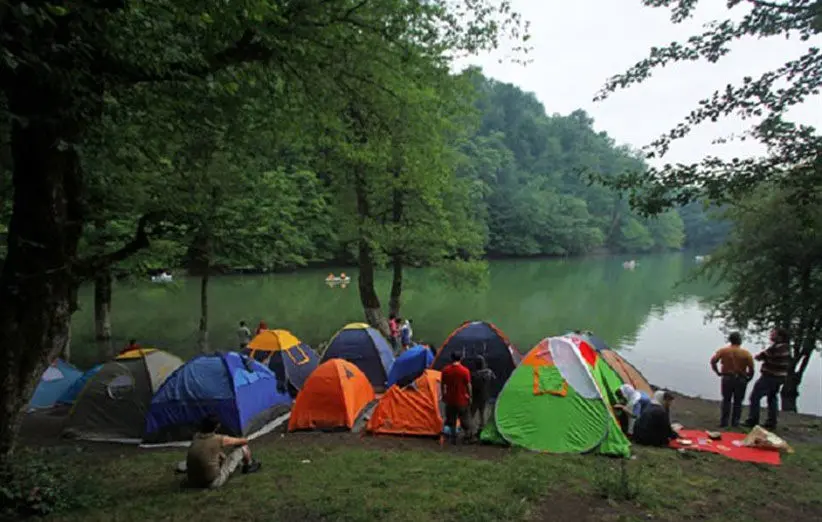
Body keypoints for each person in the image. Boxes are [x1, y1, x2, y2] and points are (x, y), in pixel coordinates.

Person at [185, 414, 261, 489]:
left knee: (216, 453)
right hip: (212, 482)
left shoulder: (196, 437)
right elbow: (244, 441)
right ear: (217, 427)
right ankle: (249, 465)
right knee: (242, 447)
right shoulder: (218, 439)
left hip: (192, 481)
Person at [745, 328, 792, 429]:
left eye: (773, 334)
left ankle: (753, 420)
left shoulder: (776, 348)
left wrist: (759, 357)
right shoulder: (786, 348)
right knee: (772, 398)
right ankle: (771, 421)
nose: (771, 335)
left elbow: (760, 357)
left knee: (754, 397)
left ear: (780, 337)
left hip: (770, 376)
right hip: (780, 377)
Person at [710, 331, 755, 427]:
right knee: (738, 401)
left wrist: (717, 372)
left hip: (727, 377)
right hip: (741, 379)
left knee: (726, 400)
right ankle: (735, 422)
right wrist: (749, 378)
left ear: (730, 340)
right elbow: (751, 369)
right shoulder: (746, 353)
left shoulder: (723, 351)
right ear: (740, 341)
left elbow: (713, 361)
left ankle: (724, 422)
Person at [441, 352, 472, 444]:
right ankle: (467, 437)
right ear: (460, 358)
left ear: (451, 358)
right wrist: (470, 396)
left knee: (451, 420)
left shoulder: (445, 370)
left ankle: (453, 437)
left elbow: (443, 385)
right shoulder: (465, 371)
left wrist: (443, 395)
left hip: (450, 399)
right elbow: (468, 385)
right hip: (462, 400)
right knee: (464, 419)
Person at [469, 355, 496, 438]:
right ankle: (481, 429)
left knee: (471, 414)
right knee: (482, 414)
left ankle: (470, 431)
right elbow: (494, 379)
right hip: (485, 395)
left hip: (475, 396)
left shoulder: (474, 374)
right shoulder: (488, 372)